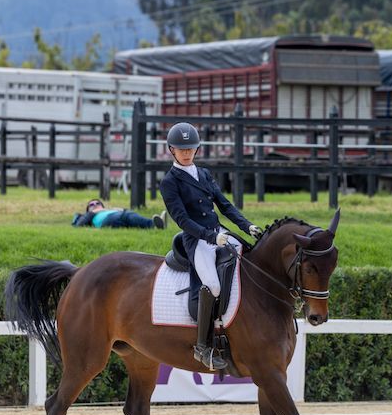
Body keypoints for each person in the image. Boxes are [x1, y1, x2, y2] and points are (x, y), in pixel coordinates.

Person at [159, 122, 261, 370]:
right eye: (181, 149)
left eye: (190, 148)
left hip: (219, 233)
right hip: (197, 240)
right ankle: (203, 347)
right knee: (213, 285)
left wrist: (247, 226)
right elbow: (182, 220)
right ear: (172, 150)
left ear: (197, 149)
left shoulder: (203, 174)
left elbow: (225, 206)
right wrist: (209, 236)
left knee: (250, 259)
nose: (186, 153)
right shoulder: (169, 181)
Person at [72, 199, 166, 230]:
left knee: (130, 215)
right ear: (88, 209)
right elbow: (79, 225)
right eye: (91, 205)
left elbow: (125, 211)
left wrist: (117, 209)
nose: (95, 205)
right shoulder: (88, 215)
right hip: (108, 220)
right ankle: (153, 224)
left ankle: (156, 224)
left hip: (118, 216)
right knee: (127, 216)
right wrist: (92, 212)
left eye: (98, 203)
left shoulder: (108, 210)